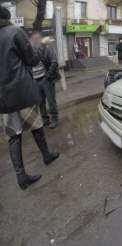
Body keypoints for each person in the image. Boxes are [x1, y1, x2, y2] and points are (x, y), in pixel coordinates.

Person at [0, 6, 59, 190]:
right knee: (36, 125)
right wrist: (43, 44)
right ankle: (46, 156)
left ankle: (21, 177)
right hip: (21, 91)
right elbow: (32, 60)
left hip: (4, 98)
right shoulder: (14, 31)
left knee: (13, 136)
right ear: (8, 17)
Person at [31, 31, 61, 129]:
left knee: (51, 101)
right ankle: (45, 119)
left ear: (41, 39)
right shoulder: (32, 51)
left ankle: (54, 119)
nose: (35, 40)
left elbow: (54, 62)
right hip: (36, 80)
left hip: (45, 79)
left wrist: (47, 77)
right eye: (33, 39)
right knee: (40, 102)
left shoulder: (48, 48)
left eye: (37, 38)